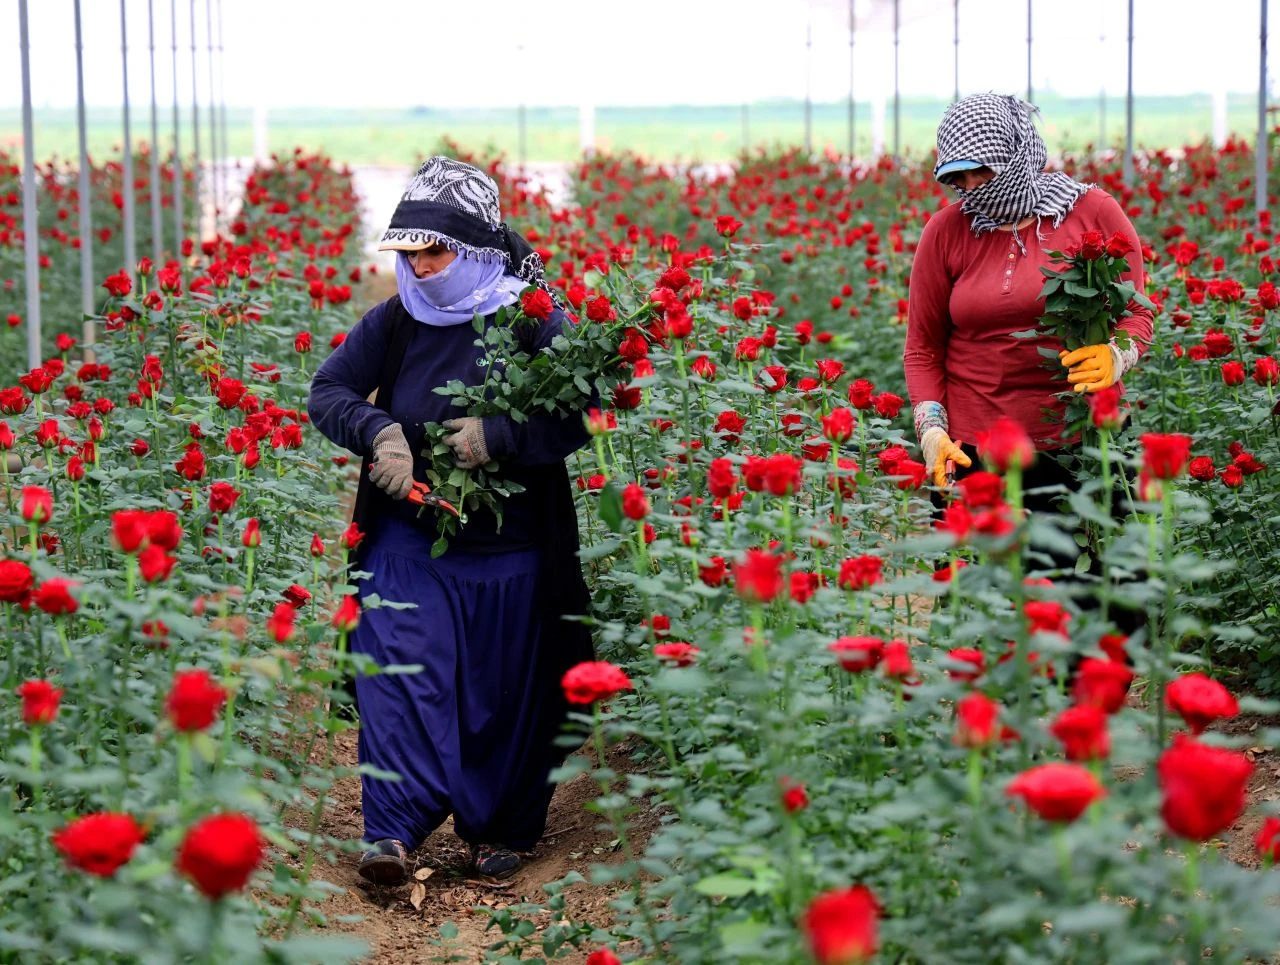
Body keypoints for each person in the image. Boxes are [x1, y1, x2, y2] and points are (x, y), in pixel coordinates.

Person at [308, 156, 593, 885]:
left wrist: (500, 436)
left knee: (504, 687)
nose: (421, 266)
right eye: (410, 252)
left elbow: (579, 411)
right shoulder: (395, 322)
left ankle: (496, 827)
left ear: (474, 251)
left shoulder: (533, 320)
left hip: (513, 545)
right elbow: (328, 389)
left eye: (435, 250)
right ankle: (392, 831)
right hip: (411, 535)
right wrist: (377, 431)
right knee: (399, 663)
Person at [904, 94, 1154, 604]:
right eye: (957, 180)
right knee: (979, 611)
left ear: (1014, 153)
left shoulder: (1091, 212)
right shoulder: (946, 232)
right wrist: (931, 429)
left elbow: (1139, 312)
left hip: (1077, 442)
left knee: (1080, 608)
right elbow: (923, 348)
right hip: (974, 447)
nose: (970, 191)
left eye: (980, 173)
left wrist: (1117, 353)